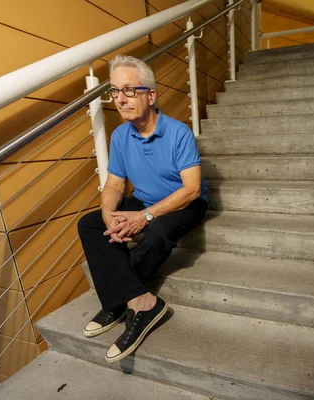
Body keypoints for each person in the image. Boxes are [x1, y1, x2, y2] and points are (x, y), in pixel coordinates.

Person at [77, 55, 208, 364]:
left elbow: (190, 189)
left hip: (184, 201)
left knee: (157, 232)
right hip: (145, 198)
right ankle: (139, 299)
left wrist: (145, 216)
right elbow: (113, 186)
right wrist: (109, 213)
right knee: (91, 224)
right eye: (114, 91)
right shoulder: (121, 136)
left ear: (151, 95)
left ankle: (117, 298)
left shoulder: (179, 133)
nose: (120, 99)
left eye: (129, 90)